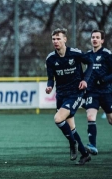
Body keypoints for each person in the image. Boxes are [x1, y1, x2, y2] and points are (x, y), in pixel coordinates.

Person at [45, 28, 92, 165]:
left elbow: (90, 63)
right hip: (61, 94)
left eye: (58, 38)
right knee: (71, 128)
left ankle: (72, 144)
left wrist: (85, 80)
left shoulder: (75, 53)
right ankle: (84, 154)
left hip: (76, 93)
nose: (56, 41)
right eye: (54, 39)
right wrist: (49, 86)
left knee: (58, 118)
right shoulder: (51, 59)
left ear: (65, 39)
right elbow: (50, 78)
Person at [83, 29, 112, 155]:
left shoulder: (107, 54)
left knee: (111, 120)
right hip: (92, 92)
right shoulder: (88, 55)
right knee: (90, 116)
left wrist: (105, 79)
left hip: (106, 91)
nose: (94, 39)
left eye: (97, 37)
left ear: (102, 40)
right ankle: (92, 146)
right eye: (93, 37)